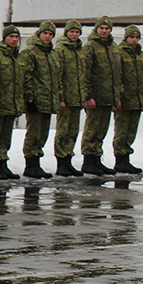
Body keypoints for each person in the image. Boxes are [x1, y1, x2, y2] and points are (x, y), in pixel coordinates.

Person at [79, 16, 123, 176]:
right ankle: (88, 161)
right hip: (95, 98)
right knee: (92, 129)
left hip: (107, 98)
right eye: (101, 28)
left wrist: (116, 96)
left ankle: (97, 159)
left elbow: (117, 75)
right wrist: (88, 96)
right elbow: (85, 73)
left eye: (107, 28)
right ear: (96, 29)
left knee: (101, 130)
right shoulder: (90, 47)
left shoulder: (113, 47)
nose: (104, 31)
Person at [18, 21, 63, 179]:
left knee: (43, 133)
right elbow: (26, 77)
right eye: (45, 33)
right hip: (36, 100)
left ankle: (36, 163)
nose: (48, 37)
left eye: (51, 34)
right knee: (34, 133)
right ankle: (30, 164)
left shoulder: (52, 54)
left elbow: (56, 78)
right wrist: (29, 99)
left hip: (48, 101)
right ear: (39, 34)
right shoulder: (30, 52)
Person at [0, 26, 24, 180]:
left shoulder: (17, 58)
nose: (14, 39)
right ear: (4, 38)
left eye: (16, 37)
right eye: (11, 37)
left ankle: (3, 163)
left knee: (6, 137)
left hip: (11, 104)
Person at [113, 25, 143, 173]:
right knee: (121, 131)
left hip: (137, 99)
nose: (134, 40)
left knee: (131, 131)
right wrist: (118, 97)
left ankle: (126, 159)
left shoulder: (142, 55)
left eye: (137, 37)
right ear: (126, 38)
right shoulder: (119, 53)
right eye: (131, 37)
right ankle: (120, 160)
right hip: (124, 99)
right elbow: (116, 77)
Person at [54, 21, 85, 176]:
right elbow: (57, 75)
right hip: (66, 97)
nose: (74, 35)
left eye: (77, 32)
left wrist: (83, 97)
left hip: (77, 98)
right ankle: (61, 162)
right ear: (66, 33)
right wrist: (60, 97)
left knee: (73, 131)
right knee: (63, 130)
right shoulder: (60, 49)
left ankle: (68, 159)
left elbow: (83, 76)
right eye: (72, 32)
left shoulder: (80, 50)